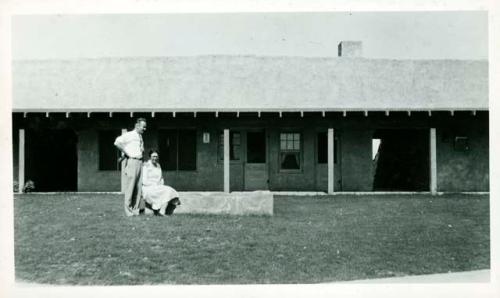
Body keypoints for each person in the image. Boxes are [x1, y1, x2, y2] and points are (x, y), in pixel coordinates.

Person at [114, 118, 147, 216]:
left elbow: (134, 148)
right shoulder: (130, 134)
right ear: (137, 126)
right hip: (133, 162)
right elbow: (117, 142)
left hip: (140, 162)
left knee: (138, 187)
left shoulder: (140, 136)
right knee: (130, 187)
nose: (145, 129)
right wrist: (128, 154)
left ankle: (135, 209)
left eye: (145, 127)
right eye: (143, 126)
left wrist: (125, 155)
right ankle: (128, 211)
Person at [142, 150, 180, 216]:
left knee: (169, 190)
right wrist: (154, 184)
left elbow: (161, 178)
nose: (155, 158)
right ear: (150, 157)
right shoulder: (146, 166)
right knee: (164, 191)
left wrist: (160, 184)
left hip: (158, 186)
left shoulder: (158, 165)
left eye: (156, 156)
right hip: (148, 187)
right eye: (153, 156)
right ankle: (160, 211)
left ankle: (162, 211)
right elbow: (144, 181)